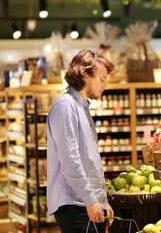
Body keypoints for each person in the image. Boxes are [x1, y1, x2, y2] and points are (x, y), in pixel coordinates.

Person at [46, 49, 114, 233]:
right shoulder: (65, 106)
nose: (105, 85)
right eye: (102, 79)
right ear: (85, 75)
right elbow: (70, 160)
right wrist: (91, 201)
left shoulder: (81, 108)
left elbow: (89, 161)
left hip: (85, 202)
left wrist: (102, 200)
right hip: (75, 204)